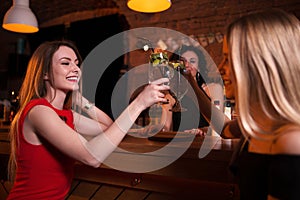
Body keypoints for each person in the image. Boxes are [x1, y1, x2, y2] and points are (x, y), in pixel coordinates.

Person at [6, 40, 170, 199]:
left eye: (76, 63)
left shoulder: (65, 114)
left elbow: (108, 127)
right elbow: (92, 158)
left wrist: (82, 102)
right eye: (66, 63)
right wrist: (139, 103)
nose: (76, 69)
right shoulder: (39, 111)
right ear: (45, 74)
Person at [226, 9, 300, 199]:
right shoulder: (256, 128)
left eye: (228, 59)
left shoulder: (290, 141)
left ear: (258, 67)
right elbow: (224, 129)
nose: (220, 68)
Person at [169, 45, 225, 133]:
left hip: (204, 142)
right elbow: (166, 128)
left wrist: (200, 130)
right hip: (178, 143)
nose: (187, 65)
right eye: (183, 61)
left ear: (199, 67)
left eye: (192, 61)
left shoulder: (213, 88)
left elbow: (219, 125)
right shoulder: (172, 93)